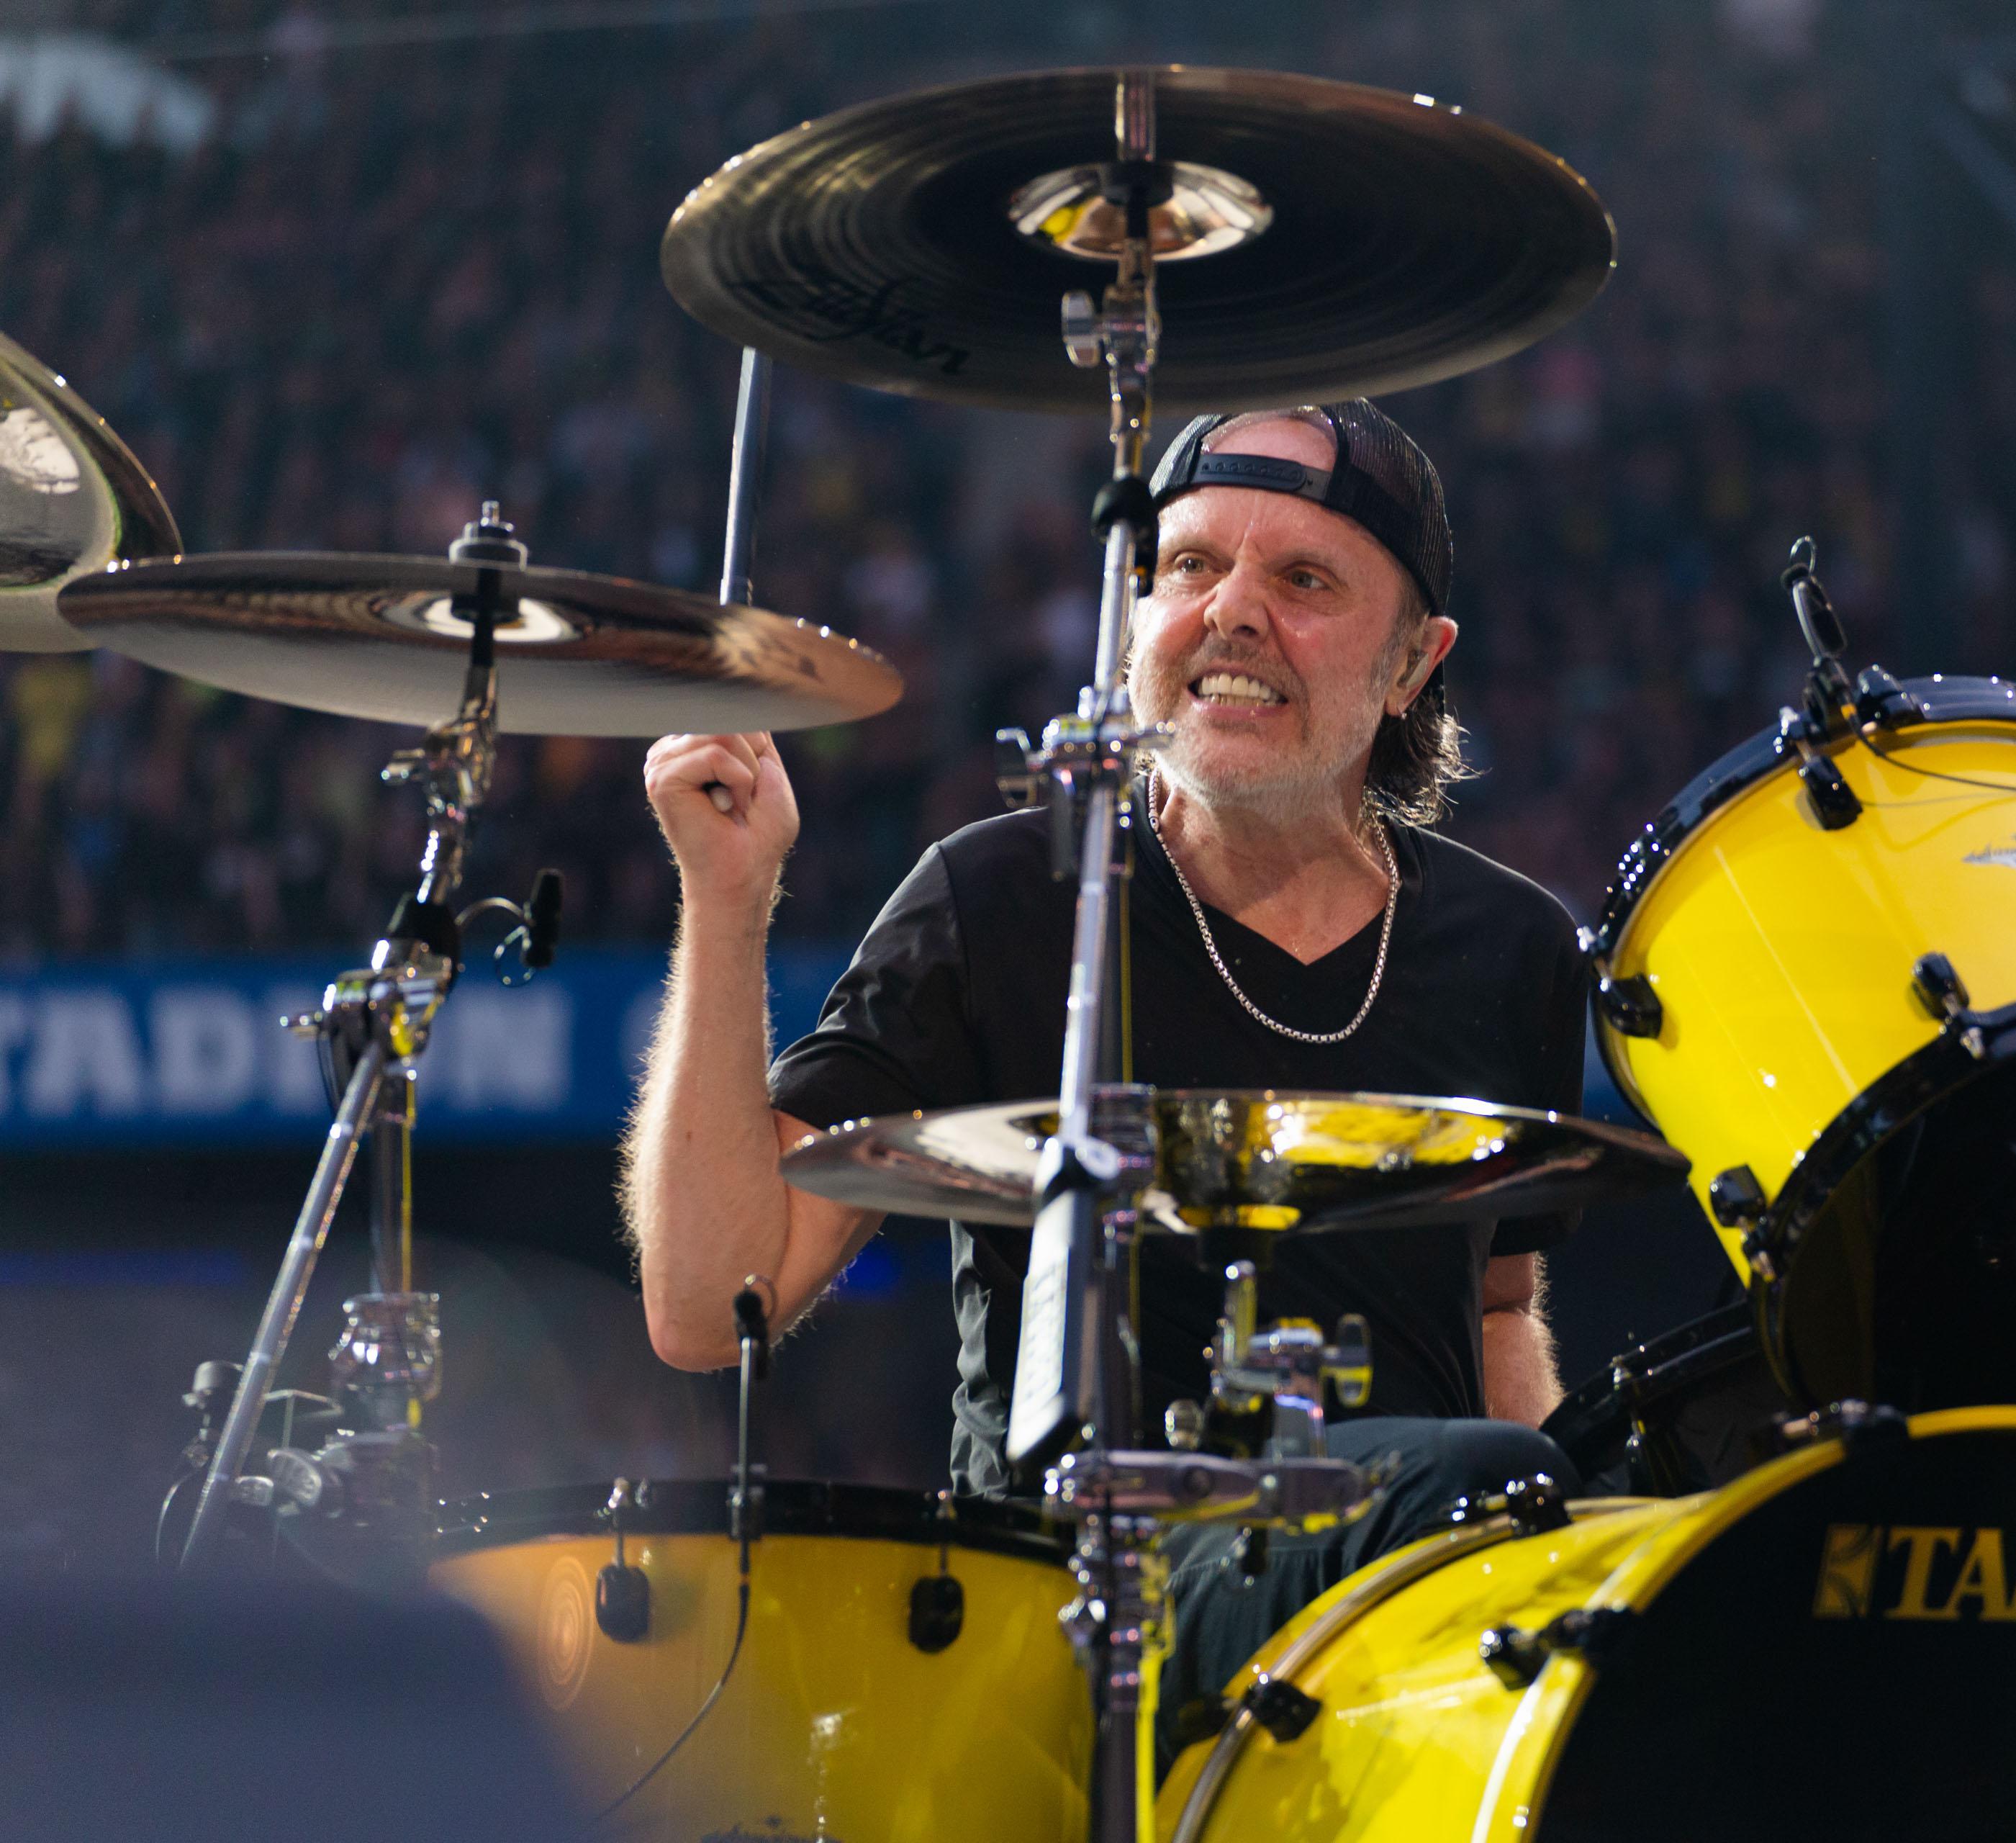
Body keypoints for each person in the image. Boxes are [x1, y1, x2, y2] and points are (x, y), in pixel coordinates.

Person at [622, 398, 1588, 1736]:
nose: (1232, 611)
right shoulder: (1003, 898)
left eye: (1305, 580)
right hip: (1063, 1618)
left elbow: (1496, 1307)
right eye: (1190, 566)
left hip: (1407, 1653)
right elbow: (708, 1304)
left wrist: (1553, 1537)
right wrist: (727, 900)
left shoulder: (1513, 948)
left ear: (1413, 664)